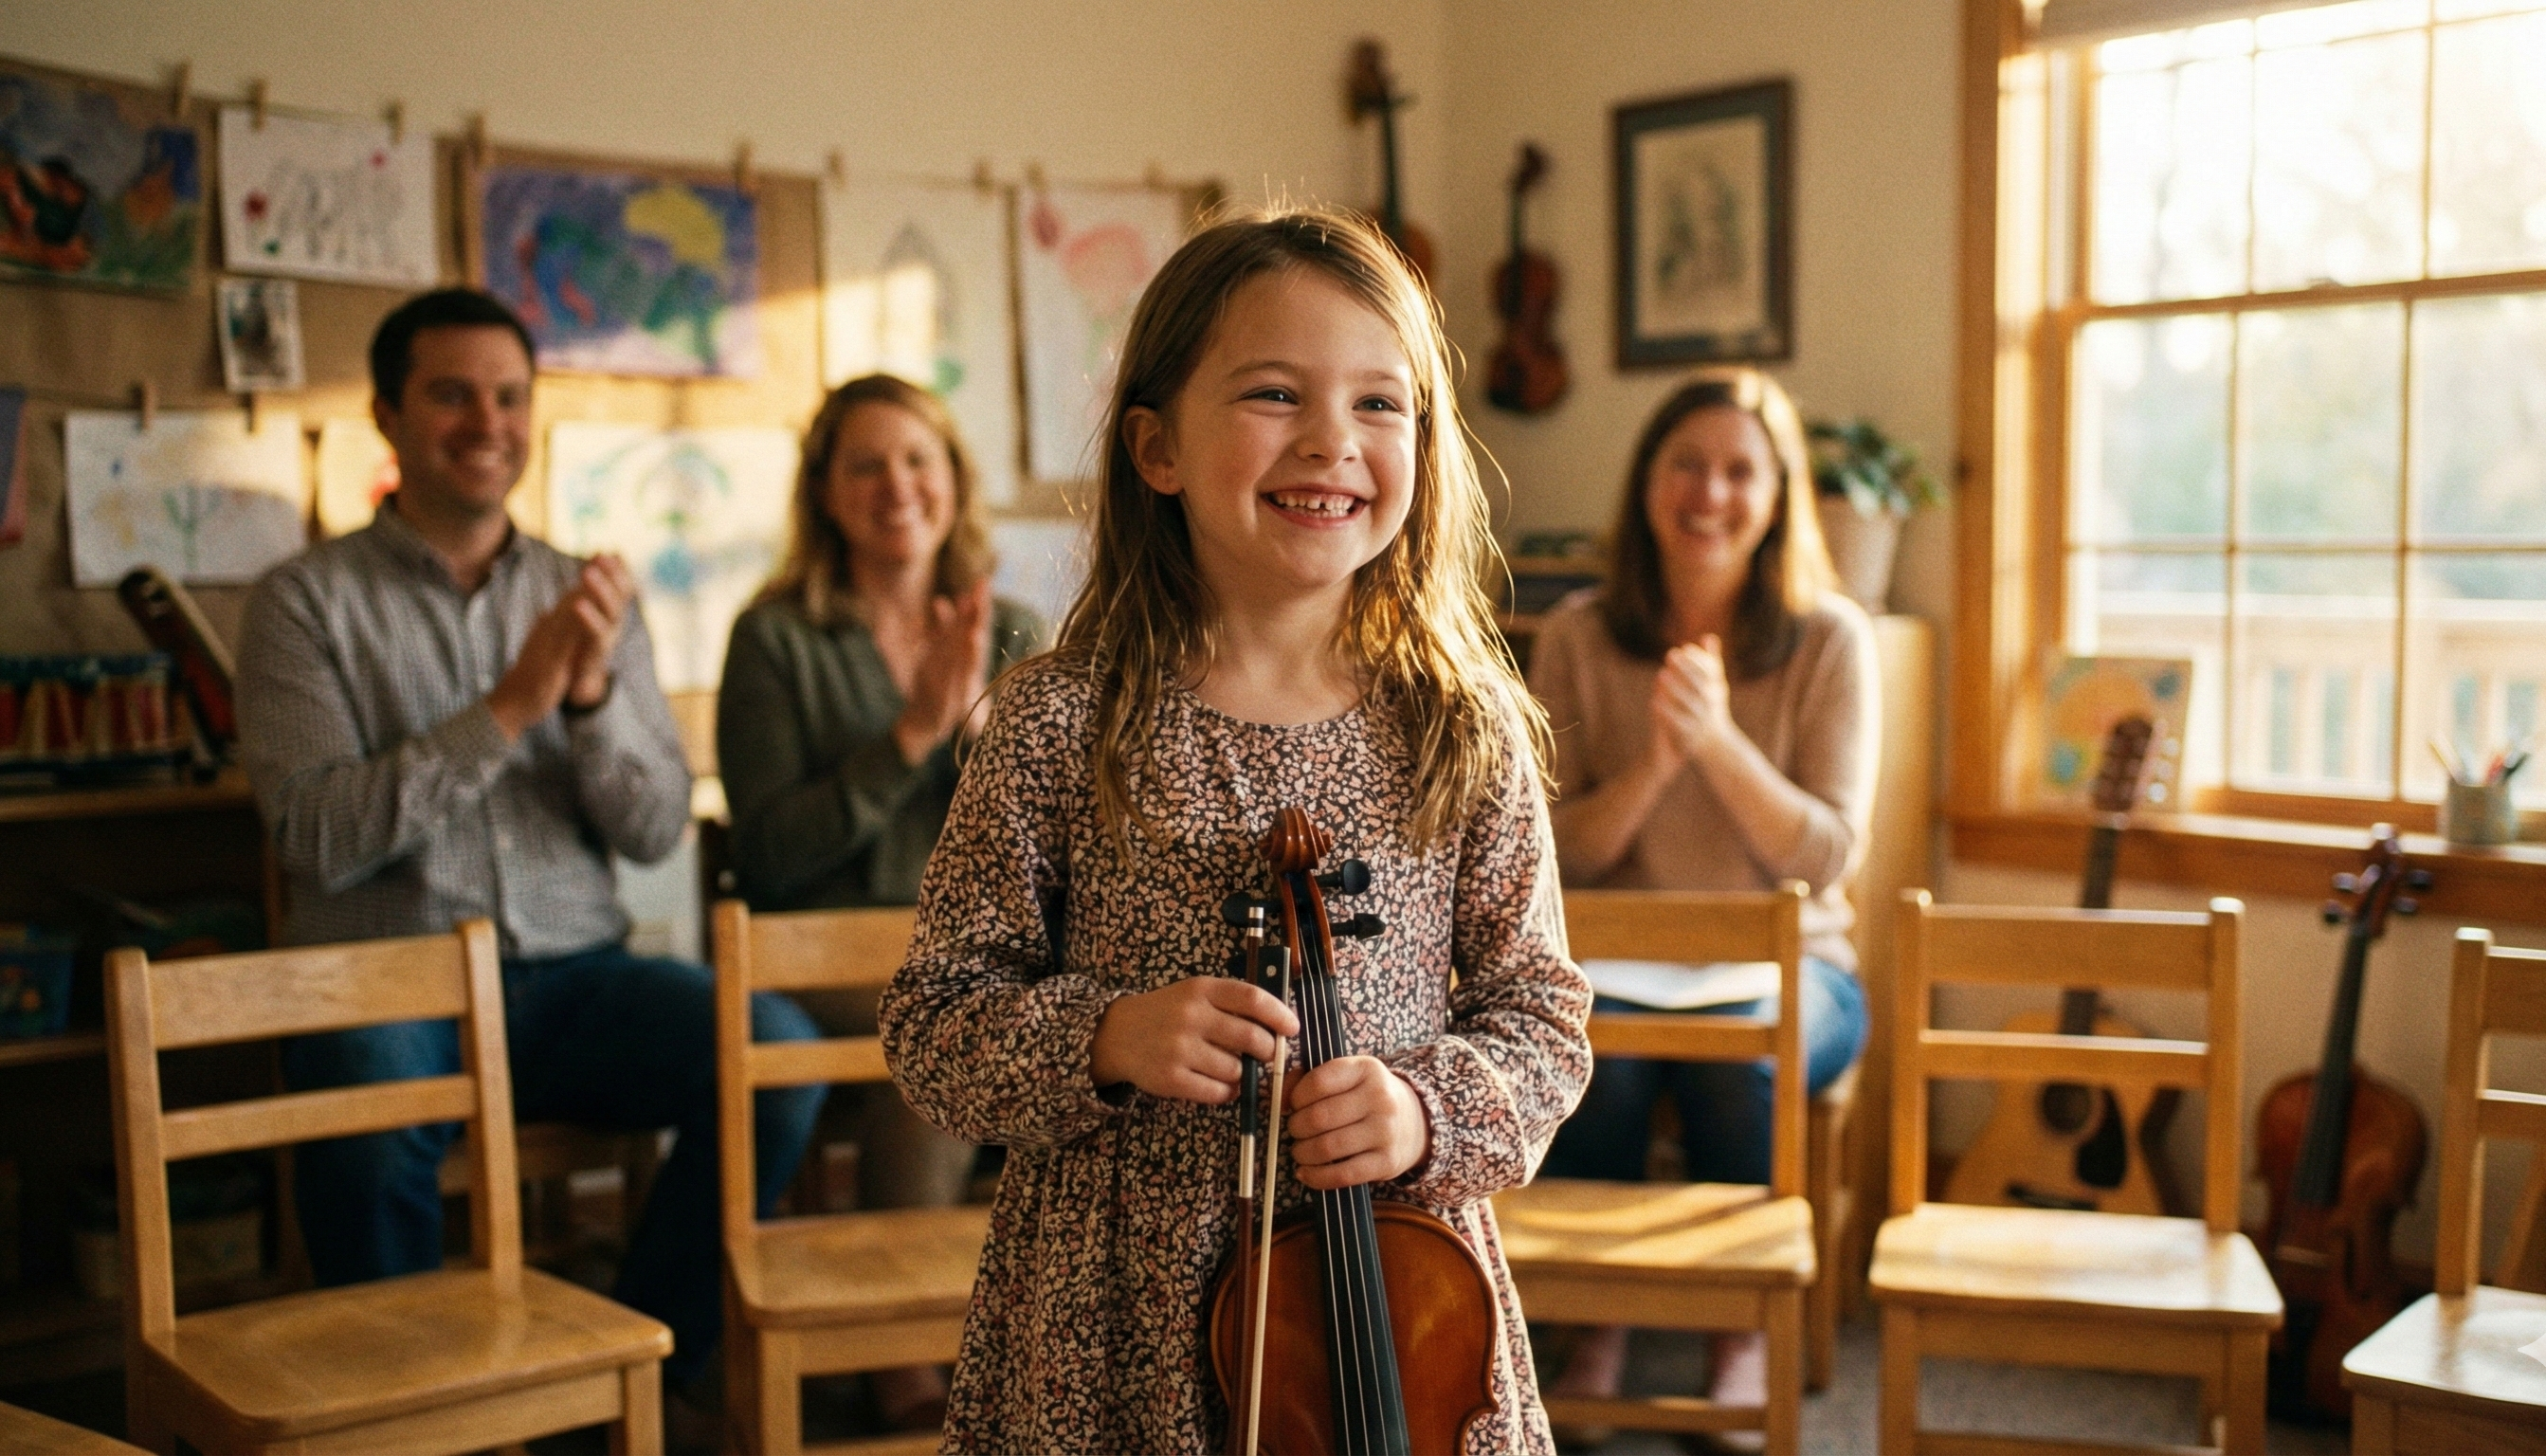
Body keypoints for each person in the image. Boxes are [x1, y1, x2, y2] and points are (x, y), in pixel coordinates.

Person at [878, 208, 1592, 1453]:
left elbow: (1543, 1021)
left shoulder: (1461, 726)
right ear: (1154, 447)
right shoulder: (1060, 719)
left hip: (1383, 1307)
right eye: (1274, 393)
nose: (1333, 440)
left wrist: (1428, 1113)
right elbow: (933, 1023)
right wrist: (1101, 1035)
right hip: (1111, 1321)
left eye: (1383, 404)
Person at [236, 287, 827, 1417]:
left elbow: (655, 827)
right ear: (386, 413)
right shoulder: (301, 604)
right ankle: (409, 1422)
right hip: (386, 976)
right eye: (451, 394)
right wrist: (509, 706)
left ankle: (637, 1379)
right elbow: (315, 836)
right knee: (359, 1131)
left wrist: (593, 694)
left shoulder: (585, 594)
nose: (487, 421)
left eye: (509, 396)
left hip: (576, 981)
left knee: (771, 1058)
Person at [1526, 370, 1881, 1442]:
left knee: (1737, 1068)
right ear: (1646, 484)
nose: (1709, 492)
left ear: (1776, 497)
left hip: (1795, 973)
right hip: (1619, 967)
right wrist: (1654, 761)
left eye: (1738, 470)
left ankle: (1740, 1334)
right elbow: (1553, 857)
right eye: (1685, 463)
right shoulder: (1578, 637)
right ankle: (1602, 1322)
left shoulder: (1830, 641)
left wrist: (1715, 744)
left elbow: (1822, 858)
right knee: (1601, 1064)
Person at [715, 373, 1046, 1428]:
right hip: (822, 961)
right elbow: (767, 856)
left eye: (917, 460)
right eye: (866, 464)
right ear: (824, 491)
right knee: (944, 1035)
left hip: (991, 946)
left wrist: (997, 763)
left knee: (1108, 1031)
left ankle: (1050, 1337)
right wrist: (910, 738)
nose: (895, 485)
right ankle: (900, 1361)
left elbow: (1065, 842)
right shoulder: (775, 639)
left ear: (952, 482)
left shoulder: (1016, 624)